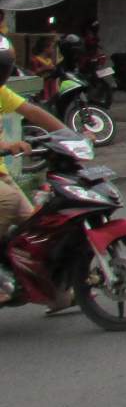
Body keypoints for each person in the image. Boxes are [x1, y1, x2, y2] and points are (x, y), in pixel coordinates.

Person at [0, 38, 75, 306]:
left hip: (1, 176)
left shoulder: (2, 92)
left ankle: (54, 292)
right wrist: (7, 146)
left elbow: (33, 112)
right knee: (7, 200)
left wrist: (71, 136)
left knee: (36, 229)